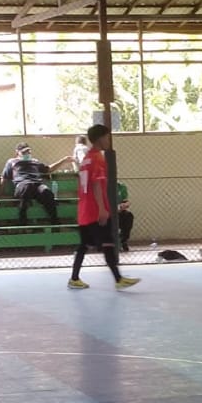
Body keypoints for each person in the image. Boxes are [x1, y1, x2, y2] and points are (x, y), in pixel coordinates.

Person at [68, 124, 139, 291]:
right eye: (107, 137)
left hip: (84, 209)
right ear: (100, 138)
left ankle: (74, 278)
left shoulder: (86, 158)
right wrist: (101, 208)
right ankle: (118, 279)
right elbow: (96, 185)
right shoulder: (98, 158)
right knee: (108, 242)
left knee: (84, 245)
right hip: (94, 210)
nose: (109, 140)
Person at [0, 142, 71, 226]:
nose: (27, 153)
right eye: (24, 152)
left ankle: (55, 222)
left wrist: (63, 160)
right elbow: (4, 177)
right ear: (17, 152)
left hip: (37, 184)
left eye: (28, 152)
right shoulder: (12, 161)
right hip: (23, 184)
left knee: (47, 192)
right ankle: (23, 223)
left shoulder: (34, 161)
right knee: (26, 189)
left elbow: (48, 169)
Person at [117, 181, 134, 251]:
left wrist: (125, 204)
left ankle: (123, 240)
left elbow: (125, 201)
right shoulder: (103, 185)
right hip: (107, 211)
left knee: (129, 216)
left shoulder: (121, 186)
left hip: (119, 211)